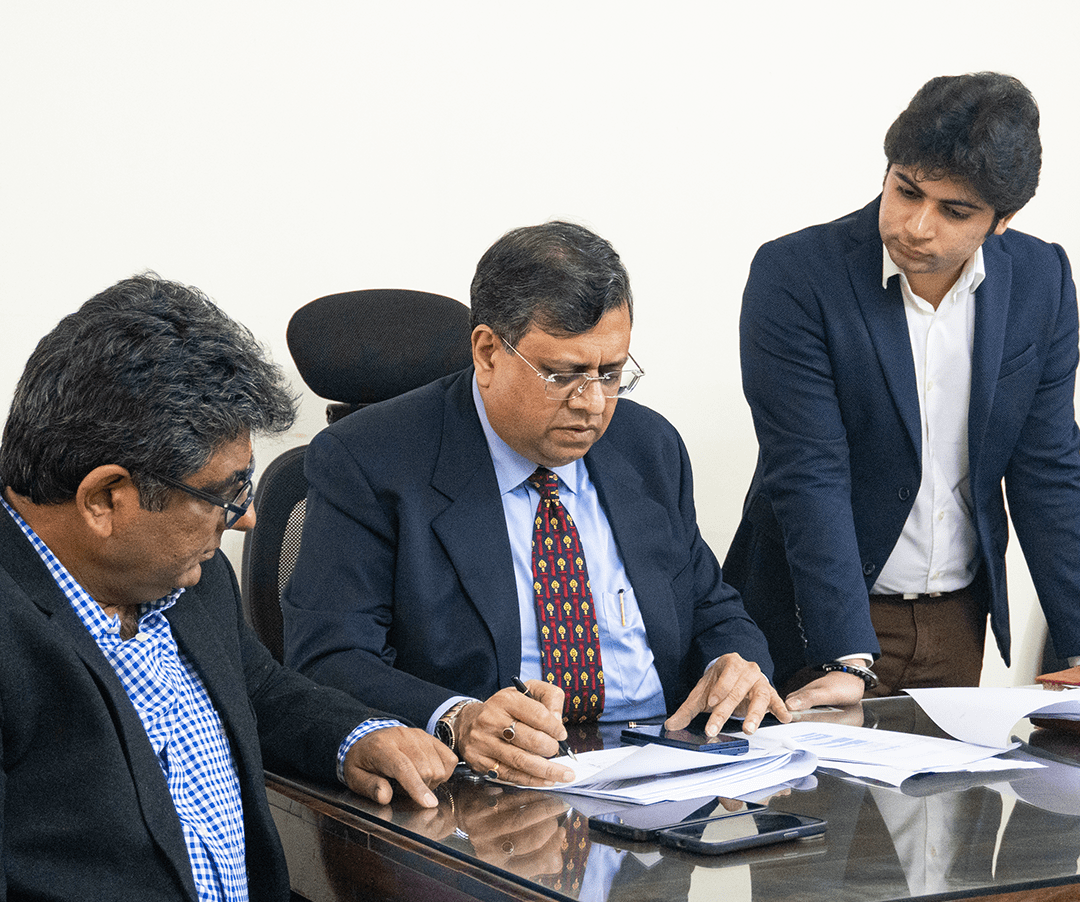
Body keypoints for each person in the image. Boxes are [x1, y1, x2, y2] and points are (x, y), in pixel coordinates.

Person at [0, 275, 457, 902]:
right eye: (223, 494)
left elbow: (259, 689)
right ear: (106, 498)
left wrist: (355, 735)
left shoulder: (180, 571)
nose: (246, 518)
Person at [283, 221, 789, 788]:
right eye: (564, 375)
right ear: (488, 353)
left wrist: (732, 663)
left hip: (663, 772)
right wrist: (457, 718)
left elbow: (710, 606)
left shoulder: (648, 447)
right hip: (489, 787)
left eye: (611, 374)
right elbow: (330, 657)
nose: (593, 403)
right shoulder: (370, 461)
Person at [723, 71, 1080, 709]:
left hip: (958, 620)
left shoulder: (1041, 279)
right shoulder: (797, 274)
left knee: (959, 780)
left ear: (1002, 220)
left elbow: (1048, 468)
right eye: (906, 191)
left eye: (954, 211)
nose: (916, 225)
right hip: (815, 623)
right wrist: (844, 654)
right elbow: (808, 468)